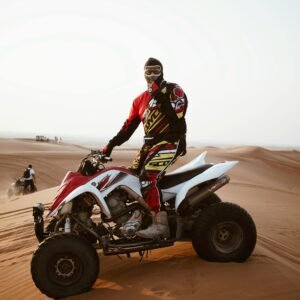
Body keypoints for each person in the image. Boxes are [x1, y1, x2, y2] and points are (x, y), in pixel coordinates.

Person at [102, 57, 188, 239]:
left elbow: (178, 116)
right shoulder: (139, 100)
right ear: (143, 74)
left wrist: (160, 96)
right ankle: (138, 215)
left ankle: (160, 225)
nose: (152, 75)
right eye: (148, 71)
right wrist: (110, 146)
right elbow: (127, 128)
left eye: (156, 71)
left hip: (171, 141)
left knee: (147, 177)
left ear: (162, 71)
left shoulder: (174, 90)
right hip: (149, 144)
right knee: (129, 177)